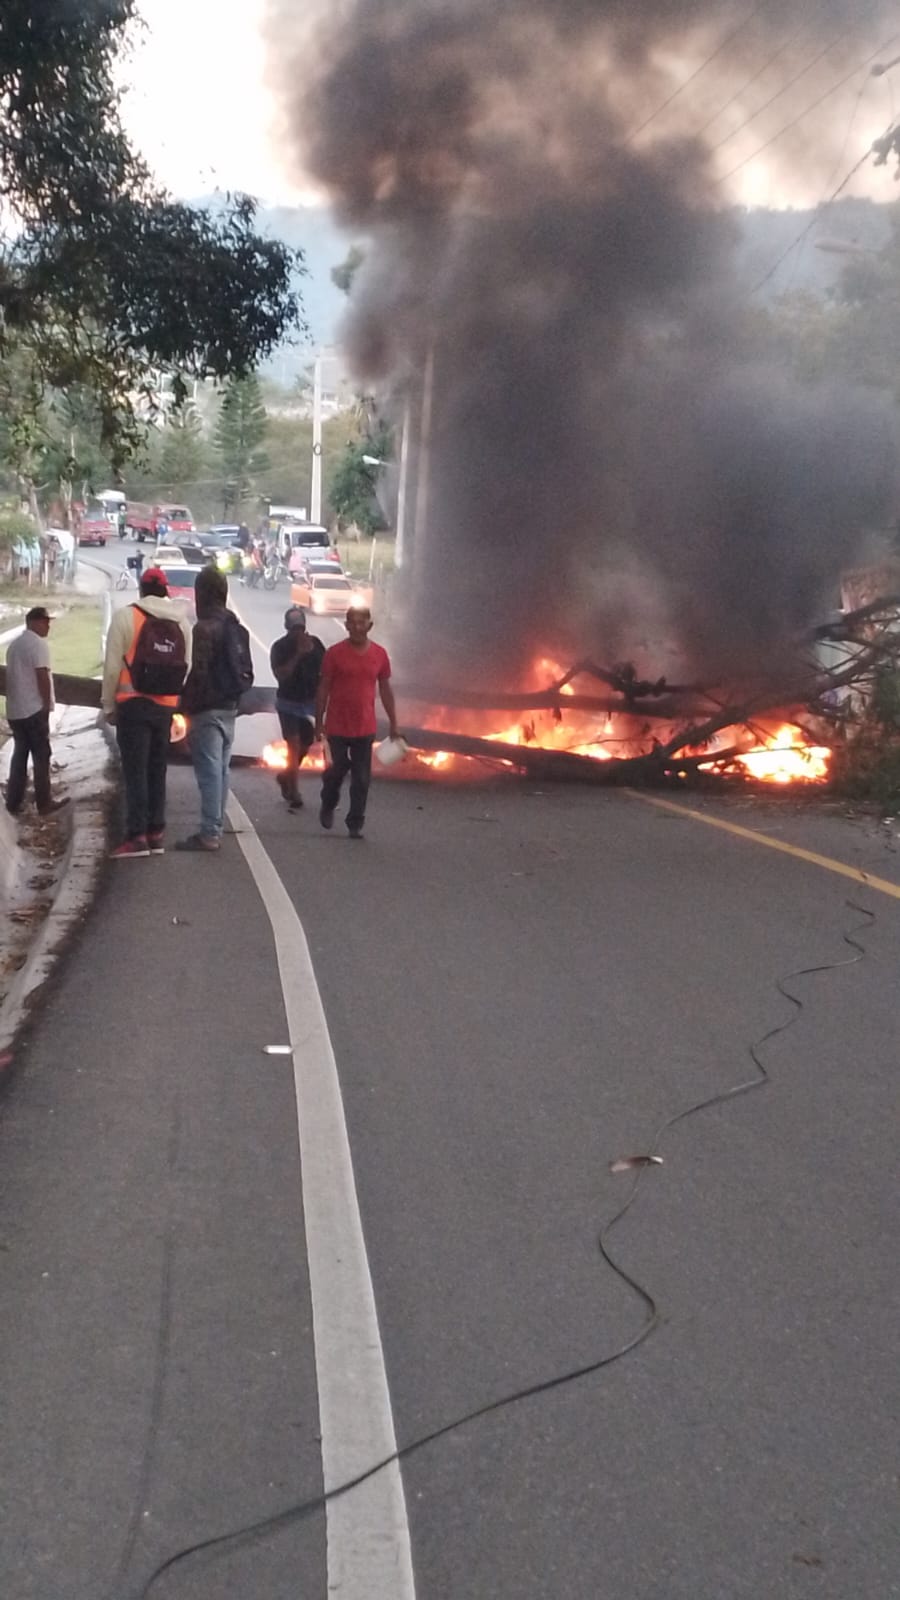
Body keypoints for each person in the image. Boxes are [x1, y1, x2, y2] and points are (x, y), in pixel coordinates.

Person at [102, 566, 192, 858]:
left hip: (133, 703)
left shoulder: (126, 616)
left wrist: (108, 705)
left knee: (135, 770)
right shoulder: (182, 622)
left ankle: (136, 835)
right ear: (166, 590)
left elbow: (113, 666)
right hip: (165, 706)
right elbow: (186, 666)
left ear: (141, 590)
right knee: (157, 768)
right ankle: (156, 832)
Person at [175, 566, 253, 852]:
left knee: (208, 771)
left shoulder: (204, 628)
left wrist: (185, 705)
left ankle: (210, 832)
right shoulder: (235, 626)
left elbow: (199, 673)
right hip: (230, 706)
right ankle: (216, 825)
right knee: (221, 770)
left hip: (207, 709)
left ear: (203, 594)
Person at [315, 606, 401, 839]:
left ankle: (355, 822)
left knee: (362, 779)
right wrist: (318, 722)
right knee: (336, 771)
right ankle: (328, 802)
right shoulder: (334, 654)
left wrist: (394, 723)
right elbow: (323, 688)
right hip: (337, 727)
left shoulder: (380, 655)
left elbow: (385, 689)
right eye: (351, 622)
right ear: (346, 625)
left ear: (369, 626)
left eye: (361, 623)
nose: (356, 627)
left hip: (365, 727)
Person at [4, 606, 69, 817]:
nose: (48, 625)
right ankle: (44, 802)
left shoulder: (15, 646)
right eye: (44, 621)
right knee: (42, 755)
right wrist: (46, 704)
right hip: (33, 708)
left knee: (20, 755)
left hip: (16, 710)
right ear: (33, 622)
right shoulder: (37, 645)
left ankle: (14, 801)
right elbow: (42, 676)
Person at [269, 607, 325, 811]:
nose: (298, 632)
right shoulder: (280, 647)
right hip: (288, 703)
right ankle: (294, 792)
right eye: (294, 628)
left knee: (305, 744)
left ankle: (286, 776)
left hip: (308, 704)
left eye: (300, 627)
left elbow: (325, 675)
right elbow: (281, 676)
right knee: (293, 746)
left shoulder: (317, 645)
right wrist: (298, 655)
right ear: (286, 628)